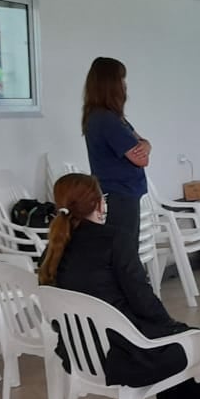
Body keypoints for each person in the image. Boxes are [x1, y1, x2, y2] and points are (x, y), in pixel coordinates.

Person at [39, 173, 200, 399]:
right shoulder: (114, 239)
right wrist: (173, 326)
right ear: (99, 204)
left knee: (177, 338)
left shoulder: (53, 247)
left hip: (81, 356)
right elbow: (142, 299)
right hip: (125, 357)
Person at [81, 57, 150, 257]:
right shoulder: (106, 121)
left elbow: (143, 142)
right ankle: (129, 288)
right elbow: (141, 158)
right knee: (124, 252)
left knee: (122, 249)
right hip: (120, 194)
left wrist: (146, 145)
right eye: (122, 79)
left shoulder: (110, 118)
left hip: (120, 193)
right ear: (111, 84)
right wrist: (144, 146)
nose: (125, 85)